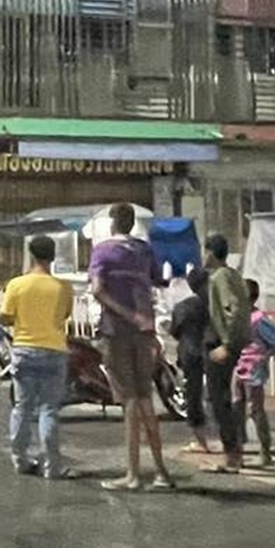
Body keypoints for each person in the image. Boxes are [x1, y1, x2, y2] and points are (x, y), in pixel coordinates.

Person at [90, 203, 173, 491]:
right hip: (145, 332)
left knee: (129, 402)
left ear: (112, 224)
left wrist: (126, 314)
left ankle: (133, 474)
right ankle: (161, 472)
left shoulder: (102, 251)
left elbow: (97, 289)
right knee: (145, 397)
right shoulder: (143, 250)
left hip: (117, 332)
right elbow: (159, 280)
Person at [0, 236, 74, 480]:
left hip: (24, 350)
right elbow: (65, 315)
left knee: (22, 407)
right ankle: (52, 466)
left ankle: (20, 460)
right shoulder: (63, 287)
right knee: (49, 409)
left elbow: (5, 316)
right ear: (53, 257)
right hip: (54, 351)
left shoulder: (17, 285)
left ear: (31, 256)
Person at [201, 234, 251, 474]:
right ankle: (234, 450)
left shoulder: (220, 277)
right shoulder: (233, 275)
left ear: (210, 252)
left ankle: (232, 455)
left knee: (219, 400)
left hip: (221, 344)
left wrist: (228, 344)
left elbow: (235, 309)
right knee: (223, 399)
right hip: (227, 342)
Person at [233, 279, 275, 467]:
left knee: (255, 409)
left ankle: (265, 450)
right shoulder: (235, 316)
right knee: (236, 408)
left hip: (253, 370)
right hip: (236, 367)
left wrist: (264, 357)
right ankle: (237, 449)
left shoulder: (258, 319)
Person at [171, 267, 210, 453]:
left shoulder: (182, 307)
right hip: (212, 352)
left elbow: (175, 331)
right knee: (220, 395)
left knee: (193, 396)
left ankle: (201, 440)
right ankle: (230, 439)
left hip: (189, 354)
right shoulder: (214, 306)